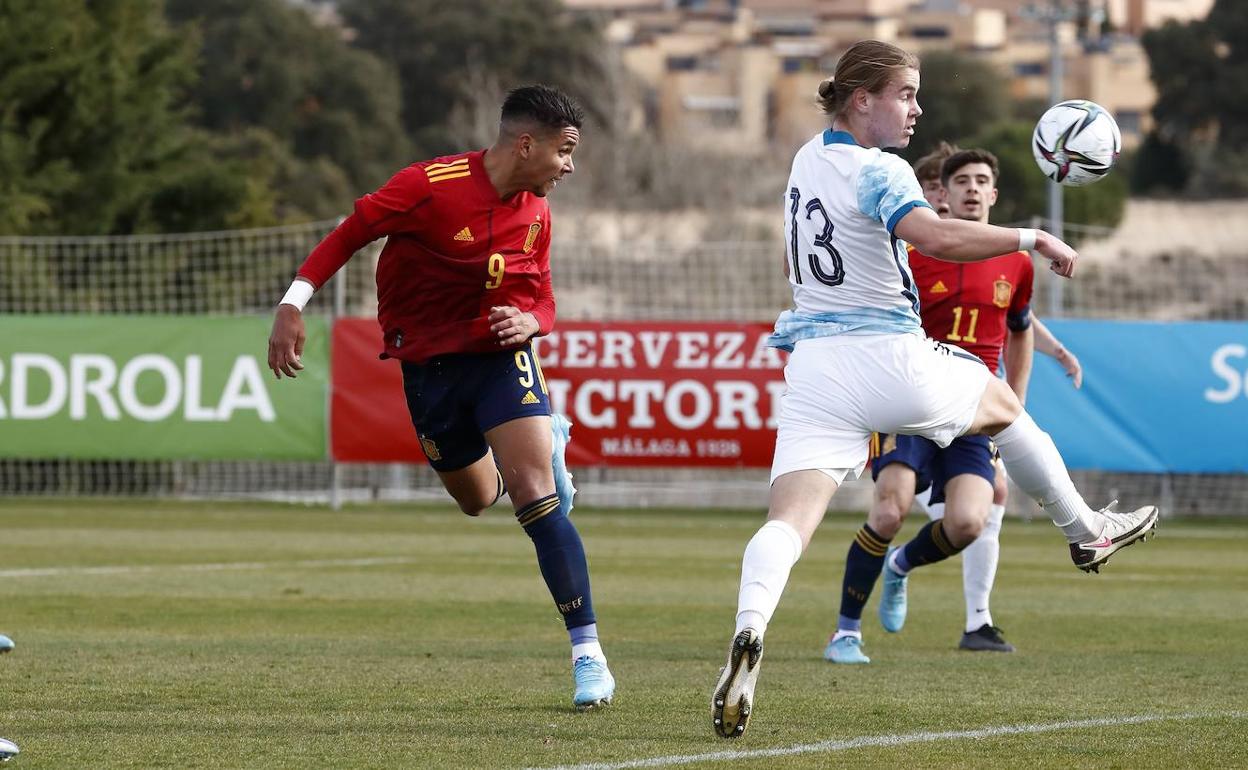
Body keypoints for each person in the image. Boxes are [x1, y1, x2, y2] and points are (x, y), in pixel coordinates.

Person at [710, 40, 1157, 739]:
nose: (917, 108)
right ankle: (1087, 531)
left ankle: (749, 629)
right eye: (906, 94)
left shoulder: (806, 158)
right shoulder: (881, 169)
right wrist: (1029, 236)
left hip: (812, 365)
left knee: (788, 521)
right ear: (862, 100)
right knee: (1003, 404)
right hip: (885, 353)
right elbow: (938, 238)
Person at [266, 85, 614, 711]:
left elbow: (543, 298)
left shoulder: (536, 211)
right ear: (525, 144)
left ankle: (587, 654)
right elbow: (350, 233)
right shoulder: (428, 185)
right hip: (427, 366)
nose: (568, 167)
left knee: (538, 496)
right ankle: (536, 449)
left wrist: (533, 324)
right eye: (563, 152)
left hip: (499, 360)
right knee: (478, 498)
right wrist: (293, 304)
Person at [826, 144, 1086, 663]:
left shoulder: (1017, 263)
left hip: (973, 409)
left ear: (993, 193)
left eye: (980, 180)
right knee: (889, 507)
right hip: (911, 399)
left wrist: (1013, 410)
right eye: (960, 179)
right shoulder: (915, 254)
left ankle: (899, 567)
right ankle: (846, 631)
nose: (971, 188)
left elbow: (1020, 328)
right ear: (943, 192)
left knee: (971, 521)